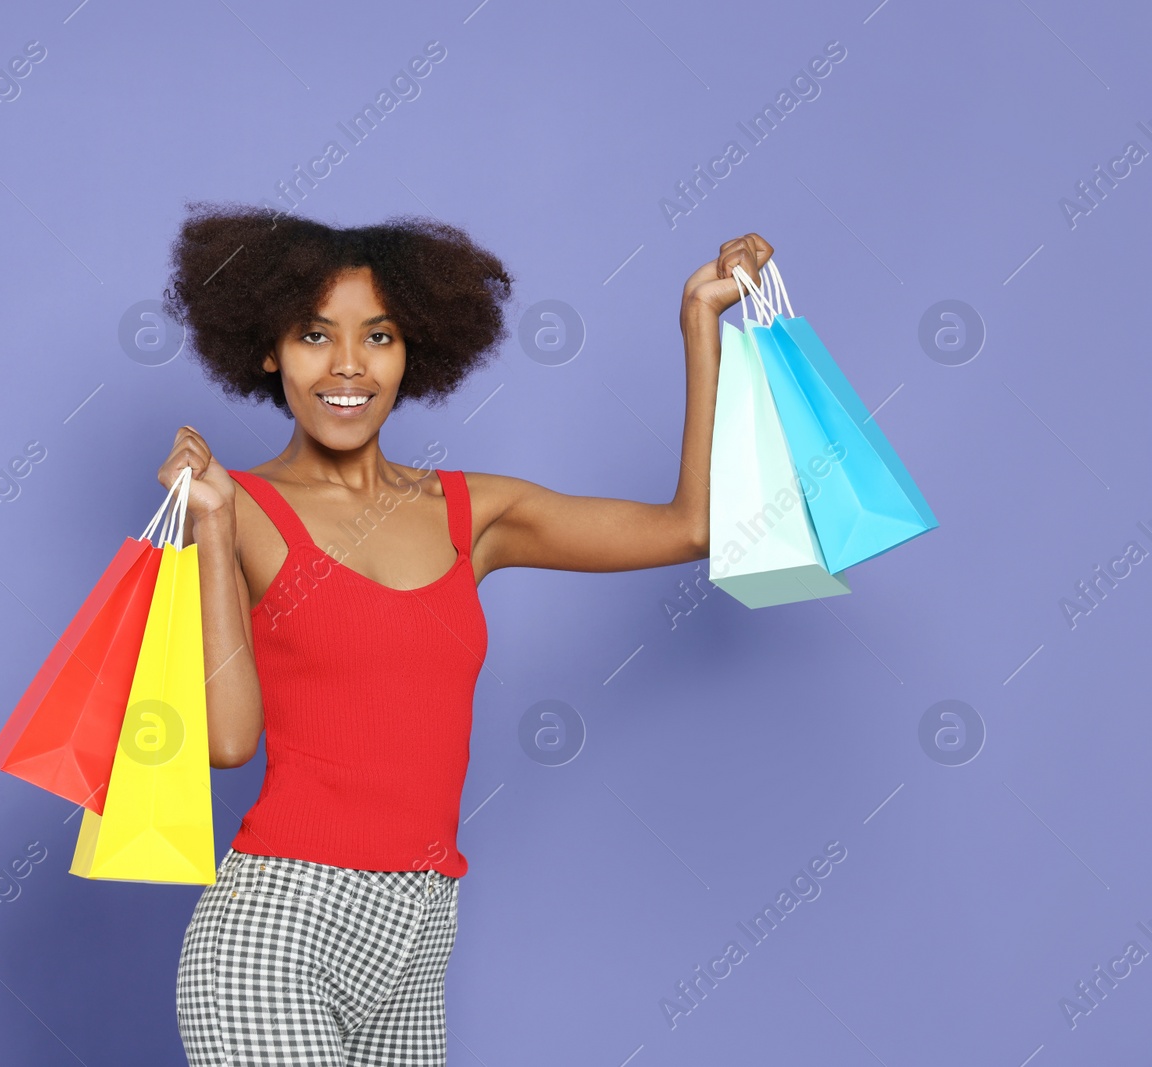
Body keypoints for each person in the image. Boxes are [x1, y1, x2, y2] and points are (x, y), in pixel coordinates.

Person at [158, 201, 770, 1065]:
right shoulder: (240, 507)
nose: (347, 366)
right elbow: (227, 741)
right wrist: (211, 529)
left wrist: (698, 319)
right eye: (312, 334)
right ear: (268, 350)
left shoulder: (471, 512)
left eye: (378, 337)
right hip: (279, 929)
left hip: (421, 933)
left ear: (414, 352)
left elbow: (691, 527)